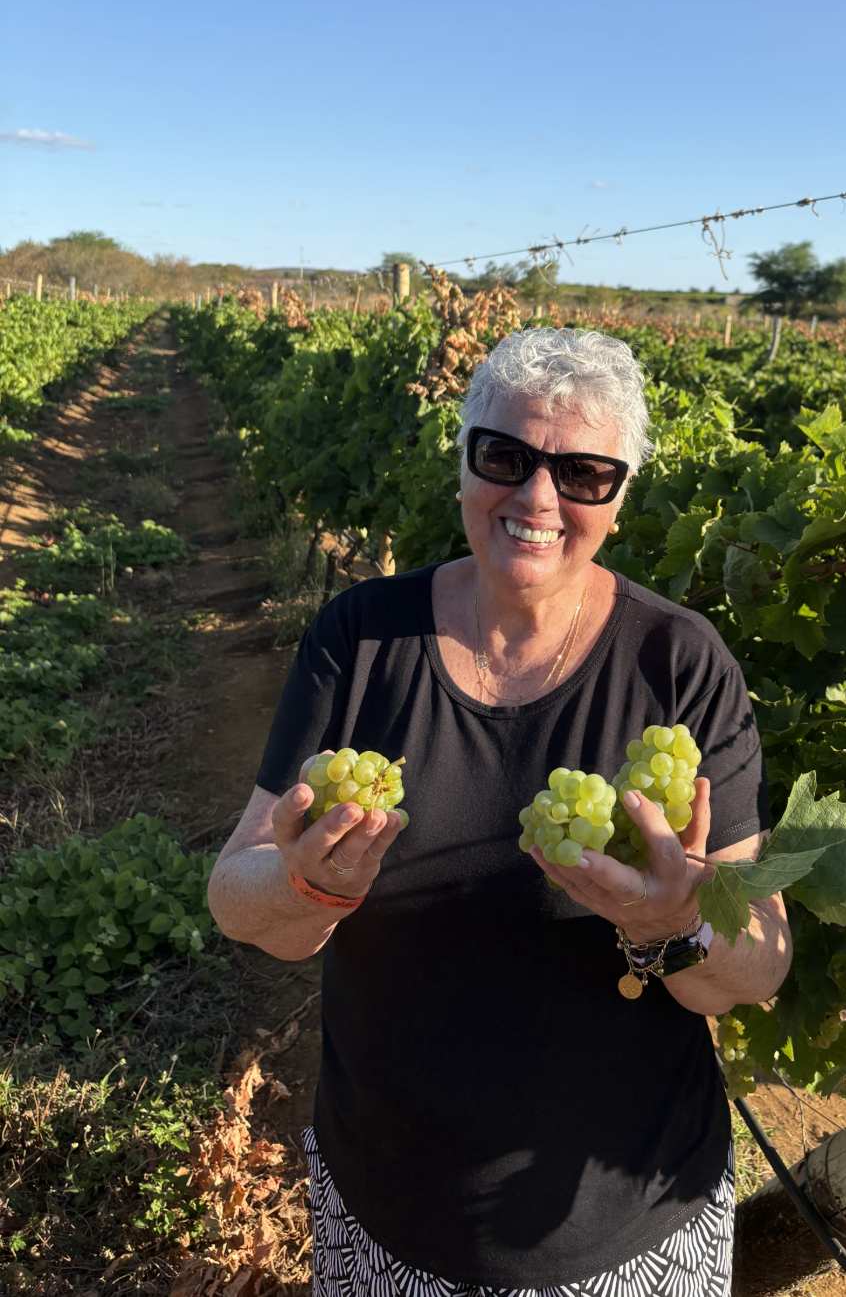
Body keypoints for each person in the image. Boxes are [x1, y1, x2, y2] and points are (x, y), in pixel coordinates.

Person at [207, 327, 792, 1297]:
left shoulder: (680, 663)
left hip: (622, 1219)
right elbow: (238, 896)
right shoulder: (361, 637)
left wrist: (672, 918)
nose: (538, 499)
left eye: (585, 473)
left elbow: (758, 959)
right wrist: (304, 880)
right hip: (388, 1204)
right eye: (505, 457)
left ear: (621, 491)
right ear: (463, 460)